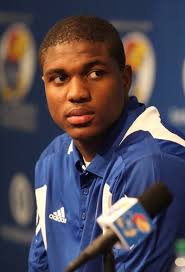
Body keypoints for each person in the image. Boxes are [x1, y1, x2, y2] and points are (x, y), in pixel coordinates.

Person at [28, 15, 185, 272]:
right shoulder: (51, 160)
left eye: (95, 73)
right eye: (60, 78)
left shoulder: (154, 164)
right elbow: (41, 265)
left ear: (124, 79)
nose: (77, 93)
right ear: (45, 86)